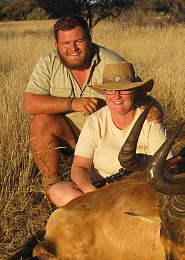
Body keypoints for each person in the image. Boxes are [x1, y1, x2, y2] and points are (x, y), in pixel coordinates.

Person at [23, 16, 162, 195]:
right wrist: (72, 103)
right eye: (66, 43)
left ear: (89, 39)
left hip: (103, 139)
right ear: (56, 44)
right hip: (70, 135)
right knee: (39, 122)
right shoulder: (47, 62)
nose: (72, 48)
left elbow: (140, 93)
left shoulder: (112, 62)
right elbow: (30, 104)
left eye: (78, 41)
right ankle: (50, 186)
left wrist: (154, 109)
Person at [49, 62, 175, 207]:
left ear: (134, 92)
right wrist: (91, 191)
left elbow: (169, 167)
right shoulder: (95, 121)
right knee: (59, 191)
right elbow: (79, 167)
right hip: (101, 192)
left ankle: (98, 219)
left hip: (139, 190)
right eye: (111, 91)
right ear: (105, 93)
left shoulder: (150, 121)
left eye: (124, 90)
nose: (117, 96)